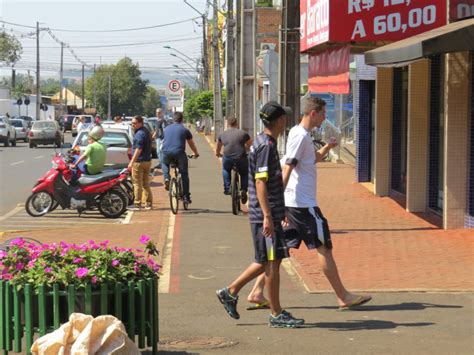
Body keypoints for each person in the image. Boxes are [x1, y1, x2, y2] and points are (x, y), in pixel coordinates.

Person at [246, 97, 372, 311]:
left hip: (295, 203)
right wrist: (278, 203)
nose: (325, 118)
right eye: (323, 113)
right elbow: (288, 167)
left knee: (276, 253)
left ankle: (255, 291)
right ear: (313, 113)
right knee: (324, 247)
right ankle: (343, 295)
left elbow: (310, 158)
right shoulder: (298, 137)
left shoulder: (300, 134)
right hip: (302, 204)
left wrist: (328, 148)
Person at [216, 101, 304, 328]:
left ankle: (231, 291)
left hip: (269, 211)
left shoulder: (261, 142)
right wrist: (268, 215)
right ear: (281, 120)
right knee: (272, 263)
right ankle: (276, 314)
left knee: (267, 260)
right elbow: (261, 182)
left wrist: (279, 208)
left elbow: (269, 182)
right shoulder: (266, 146)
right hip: (265, 214)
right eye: (285, 118)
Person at [161, 112, 199, 204]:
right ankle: (186, 196)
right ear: (182, 120)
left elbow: (164, 140)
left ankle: (166, 178)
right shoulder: (184, 130)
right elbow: (191, 143)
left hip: (166, 152)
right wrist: (196, 153)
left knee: (164, 162)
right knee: (184, 174)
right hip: (179, 153)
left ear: (173, 119)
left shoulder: (166, 129)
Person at [215, 116, 252, 203]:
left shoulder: (222, 134)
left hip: (227, 157)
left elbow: (218, 146)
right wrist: (246, 148)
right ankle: (243, 189)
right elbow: (251, 144)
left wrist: (217, 154)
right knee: (244, 172)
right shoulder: (243, 133)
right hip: (241, 157)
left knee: (226, 169)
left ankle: (228, 188)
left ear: (227, 124)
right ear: (237, 124)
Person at [127, 115, 153, 211]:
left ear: (140, 123)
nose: (133, 125)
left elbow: (138, 149)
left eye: (135, 123)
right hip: (147, 161)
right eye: (132, 123)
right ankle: (148, 203)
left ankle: (137, 204)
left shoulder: (139, 134)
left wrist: (131, 162)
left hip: (139, 162)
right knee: (146, 183)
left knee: (137, 183)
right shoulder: (146, 131)